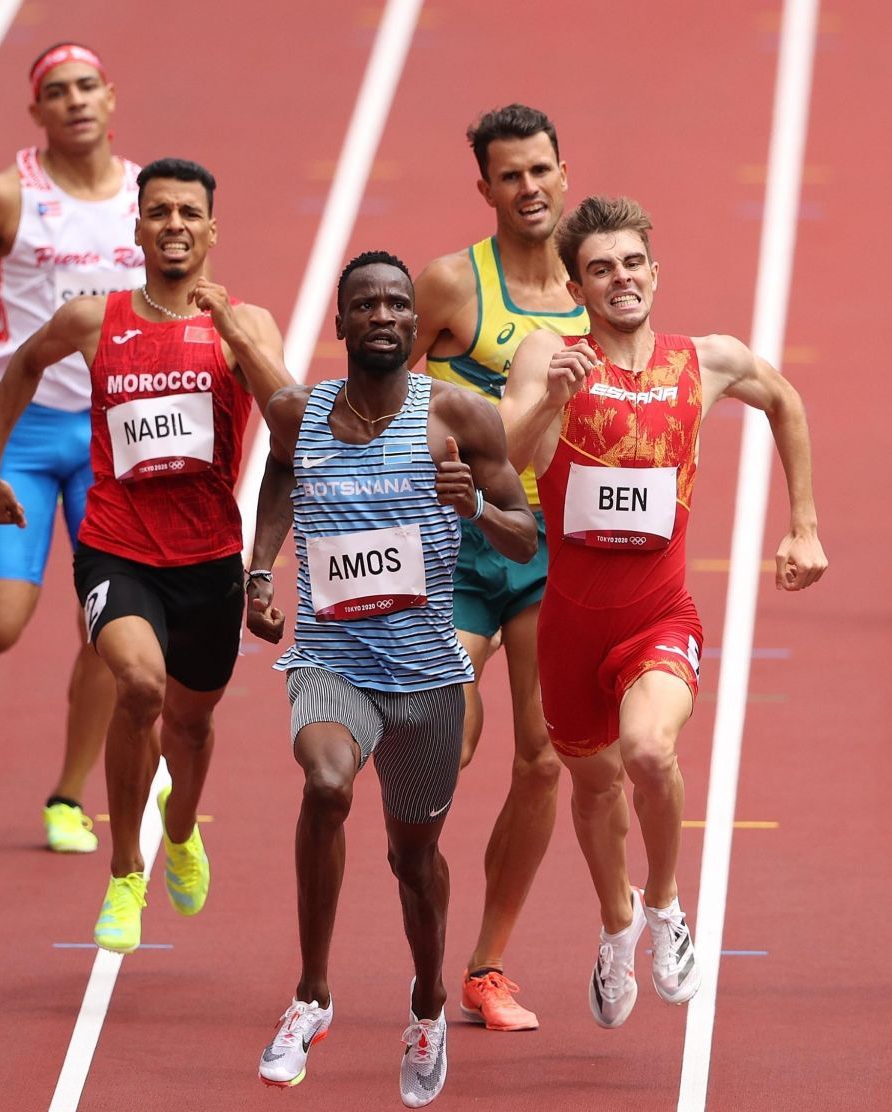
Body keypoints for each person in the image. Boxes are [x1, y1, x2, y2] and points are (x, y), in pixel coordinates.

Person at [499, 196, 827, 1029]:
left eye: (632, 263)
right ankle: (616, 924)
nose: (620, 280)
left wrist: (803, 526)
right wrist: (547, 401)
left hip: (659, 613)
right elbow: (500, 454)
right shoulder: (547, 352)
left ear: (655, 271)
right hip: (570, 621)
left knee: (648, 749)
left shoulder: (705, 360)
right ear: (577, 283)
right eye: (601, 268)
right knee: (593, 785)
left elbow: (785, 401)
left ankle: (666, 908)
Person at [0, 158, 291, 954]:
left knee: (190, 725)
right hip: (115, 549)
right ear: (138, 227)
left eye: (189, 212)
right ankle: (124, 872)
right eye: (158, 212)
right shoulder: (95, 318)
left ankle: (179, 829)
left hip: (209, 558)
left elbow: (291, 431)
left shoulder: (245, 324)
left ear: (212, 230)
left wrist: (241, 344)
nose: (173, 224)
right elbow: (22, 364)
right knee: (140, 687)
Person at [245, 251, 535, 1105]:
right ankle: (310, 995)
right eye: (364, 304)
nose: (382, 316)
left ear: (415, 324)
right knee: (325, 783)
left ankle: (428, 1000)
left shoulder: (459, 418)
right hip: (332, 661)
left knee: (415, 862)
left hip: (428, 677)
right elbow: (280, 477)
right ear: (339, 323)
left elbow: (523, 537)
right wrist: (258, 573)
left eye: (397, 305)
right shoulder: (298, 412)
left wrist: (472, 505)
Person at [0, 42, 144, 854]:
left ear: (111, 97)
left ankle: (67, 798)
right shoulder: (6, 196)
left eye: (88, 86)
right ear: (36, 112)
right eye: (58, 91)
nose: (76, 101)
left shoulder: (151, 201)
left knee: (110, 633)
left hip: (117, 443)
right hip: (24, 433)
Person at [409, 103, 586, 1032]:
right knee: (449, 738)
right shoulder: (448, 286)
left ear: (564, 174)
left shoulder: (599, 285)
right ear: (484, 188)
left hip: (552, 549)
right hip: (457, 547)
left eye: (542, 170)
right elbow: (374, 395)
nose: (529, 188)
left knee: (544, 755)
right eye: (510, 175)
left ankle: (485, 967)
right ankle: (419, 910)